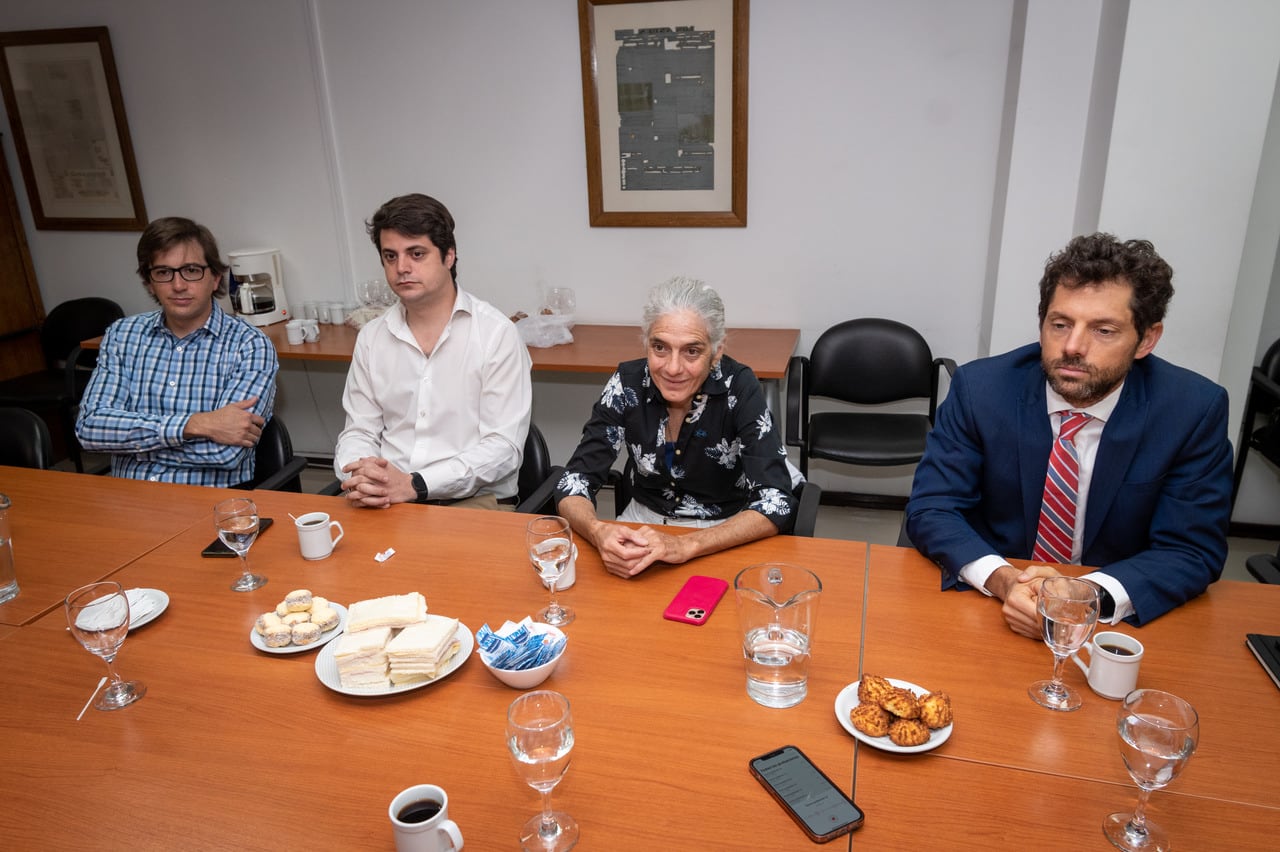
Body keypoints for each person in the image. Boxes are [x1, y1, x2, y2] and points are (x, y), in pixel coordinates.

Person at [905, 232, 1233, 636]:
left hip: (1112, 625)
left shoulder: (1191, 411)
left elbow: (1192, 550)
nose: (1073, 347)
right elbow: (933, 508)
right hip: (987, 608)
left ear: (1146, 339)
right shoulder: (982, 390)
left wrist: (1083, 595)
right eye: (1060, 324)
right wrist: (1005, 580)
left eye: (1104, 331)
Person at [554, 276, 796, 577]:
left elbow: (776, 502)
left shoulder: (740, 387)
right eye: (660, 348)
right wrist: (598, 531)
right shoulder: (627, 383)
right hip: (641, 526)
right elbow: (575, 481)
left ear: (716, 352)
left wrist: (685, 545)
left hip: (722, 532)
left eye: (692, 351)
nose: (672, 368)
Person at [334, 193, 531, 510]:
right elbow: (358, 430)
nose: (401, 268)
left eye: (416, 253)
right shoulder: (372, 337)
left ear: (449, 256)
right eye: (390, 256)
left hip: (471, 500)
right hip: (386, 495)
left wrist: (414, 485)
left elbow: (502, 449)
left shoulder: (496, 334)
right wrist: (364, 474)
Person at [76, 217, 278, 486]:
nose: (179, 285)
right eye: (163, 273)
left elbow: (226, 453)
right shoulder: (122, 335)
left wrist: (132, 443)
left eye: (191, 270)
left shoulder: (249, 345)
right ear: (149, 282)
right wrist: (195, 425)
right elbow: (91, 429)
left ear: (215, 276)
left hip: (208, 506)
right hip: (127, 501)